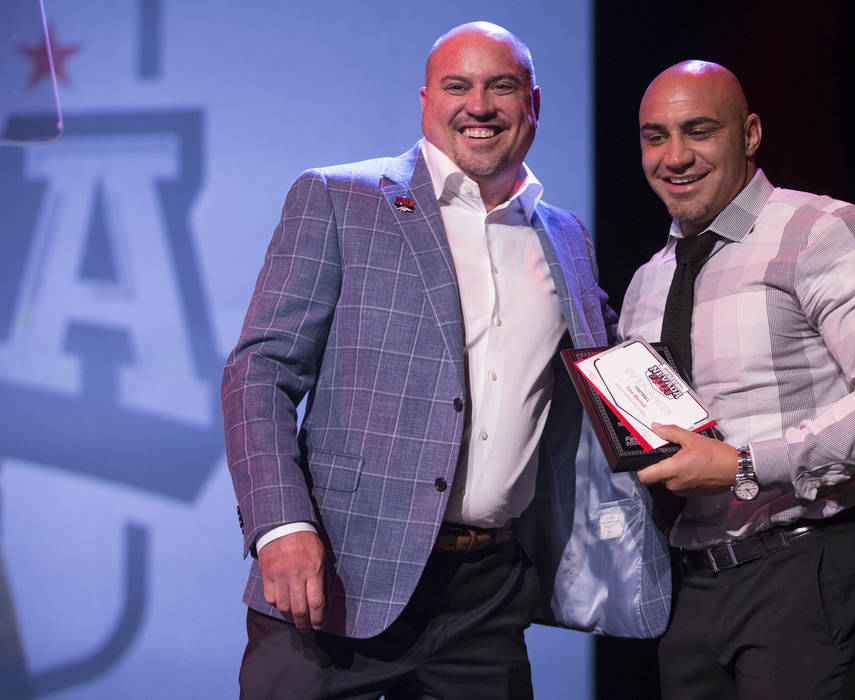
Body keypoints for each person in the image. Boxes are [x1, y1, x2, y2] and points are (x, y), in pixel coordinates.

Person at [221, 22, 670, 700]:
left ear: (534, 104)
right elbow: (259, 374)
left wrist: (733, 449)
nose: (479, 105)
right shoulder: (340, 198)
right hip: (335, 580)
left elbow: (611, 367)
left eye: (502, 86)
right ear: (426, 99)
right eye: (458, 86)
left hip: (485, 599)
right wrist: (280, 526)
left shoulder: (564, 235)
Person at [620, 60, 855, 699]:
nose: (675, 156)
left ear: (750, 134)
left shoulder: (821, 231)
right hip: (695, 585)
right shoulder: (648, 280)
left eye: (699, 131)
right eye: (656, 137)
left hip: (805, 564)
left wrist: (744, 465)